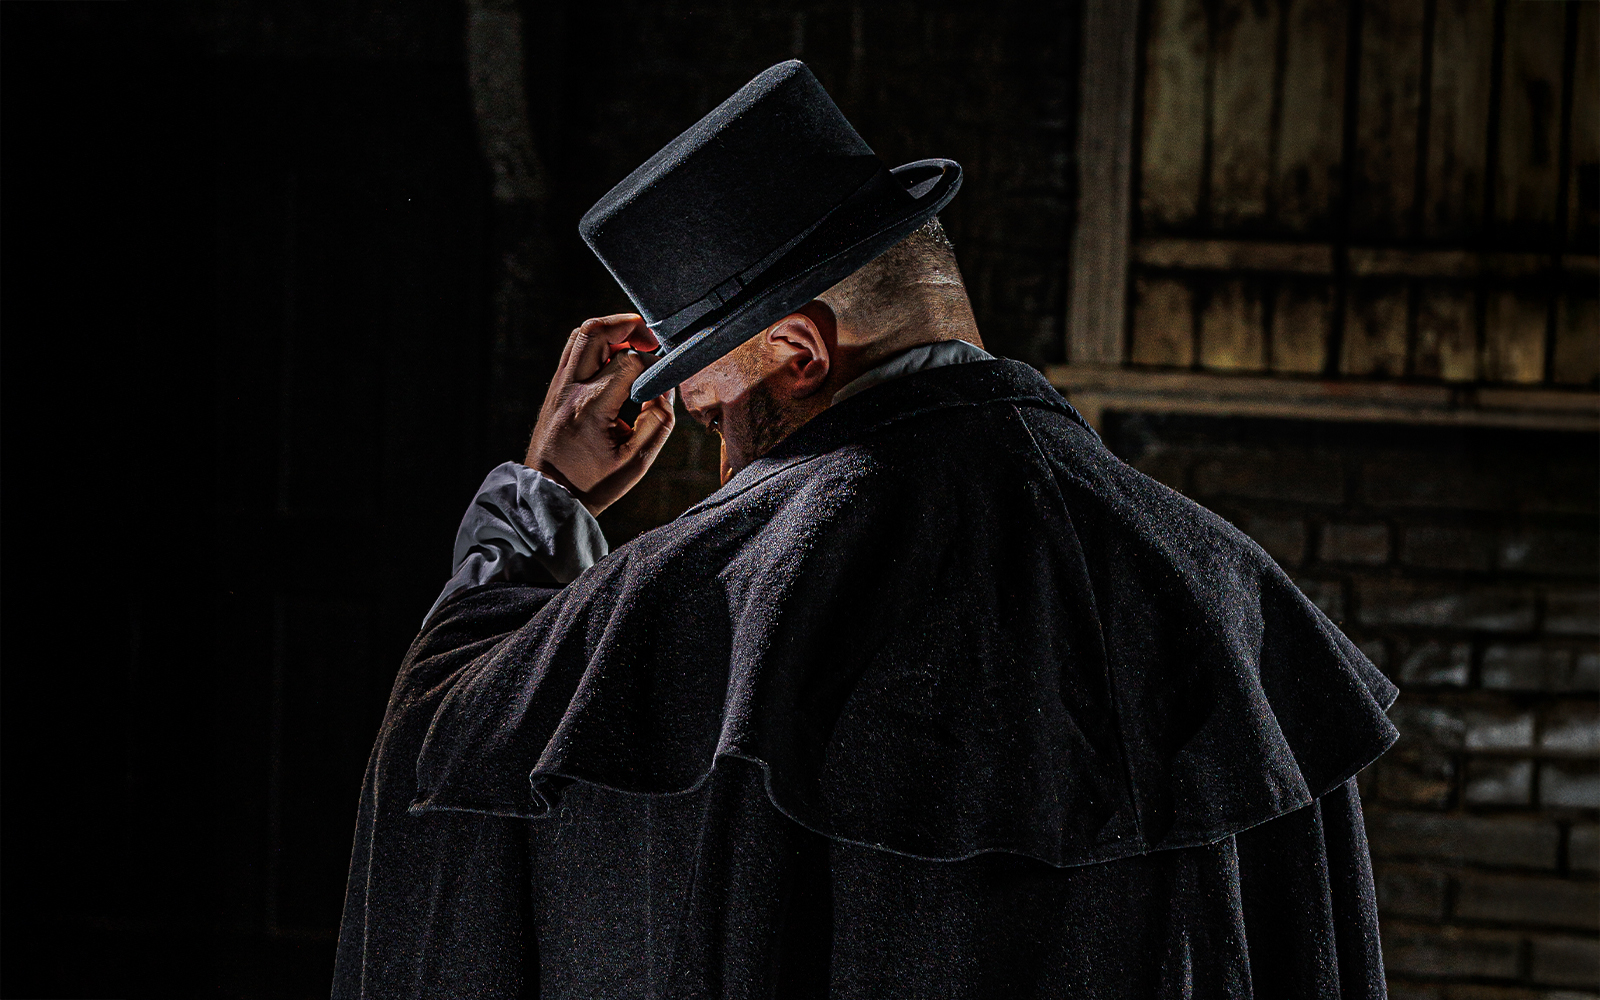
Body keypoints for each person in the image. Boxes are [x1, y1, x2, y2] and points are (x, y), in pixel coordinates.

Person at [333, 61, 1398, 1000]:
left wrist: (539, 502)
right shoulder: (1226, 590)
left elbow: (439, 748)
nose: (718, 457)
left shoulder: (723, 594)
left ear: (798, 350)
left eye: (708, 409)